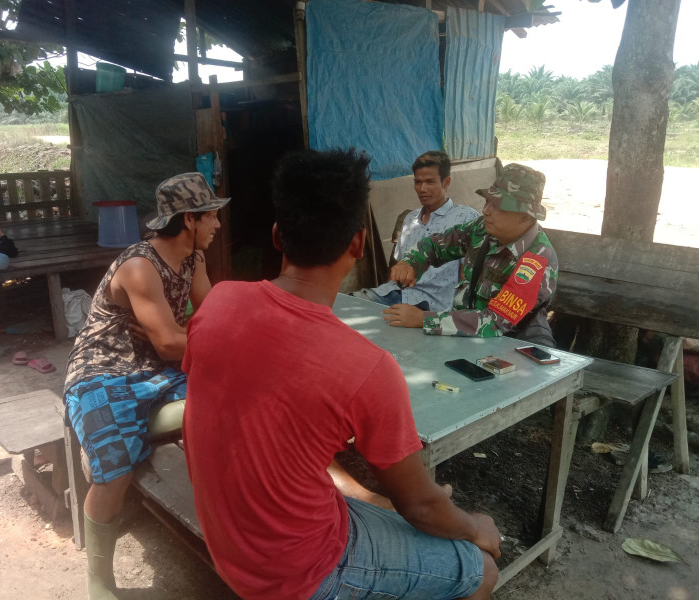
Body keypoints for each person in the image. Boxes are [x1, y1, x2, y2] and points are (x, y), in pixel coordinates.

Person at [182, 149, 500, 600]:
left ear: (276, 236)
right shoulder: (368, 368)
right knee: (480, 569)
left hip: (230, 540)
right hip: (300, 570)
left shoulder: (218, 303)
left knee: (385, 506)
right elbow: (423, 506)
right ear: (357, 244)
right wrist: (477, 527)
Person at [63, 172, 229, 600]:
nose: (218, 225)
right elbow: (173, 342)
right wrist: (200, 336)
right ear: (189, 220)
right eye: (212, 217)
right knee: (114, 468)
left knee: (233, 405)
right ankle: (98, 581)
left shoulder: (193, 260)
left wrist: (209, 333)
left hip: (157, 367)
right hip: (103, 370)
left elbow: (210, 319)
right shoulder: (139, 265)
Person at [384, 163, 558, 347]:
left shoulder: (536, 261)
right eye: (487, 201)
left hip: (509, 347)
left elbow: (495, 323)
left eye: (498, 205)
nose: (486, 210)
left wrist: (424, 320)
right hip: (462, 334)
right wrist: (410, 262)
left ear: (525, 215)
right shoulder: (482, 228)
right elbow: (436, 245)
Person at [351, 150, 479, 312]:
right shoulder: (410, 219)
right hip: (395, 295)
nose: (422, 189)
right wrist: (385, 289)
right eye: (417, 182)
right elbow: (397, 267)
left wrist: (452, 318)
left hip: (431, 304)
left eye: (430, 182)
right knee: (348, 303)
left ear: (446, 182)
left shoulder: (465, 217)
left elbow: (466, 275)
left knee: (353, 308)